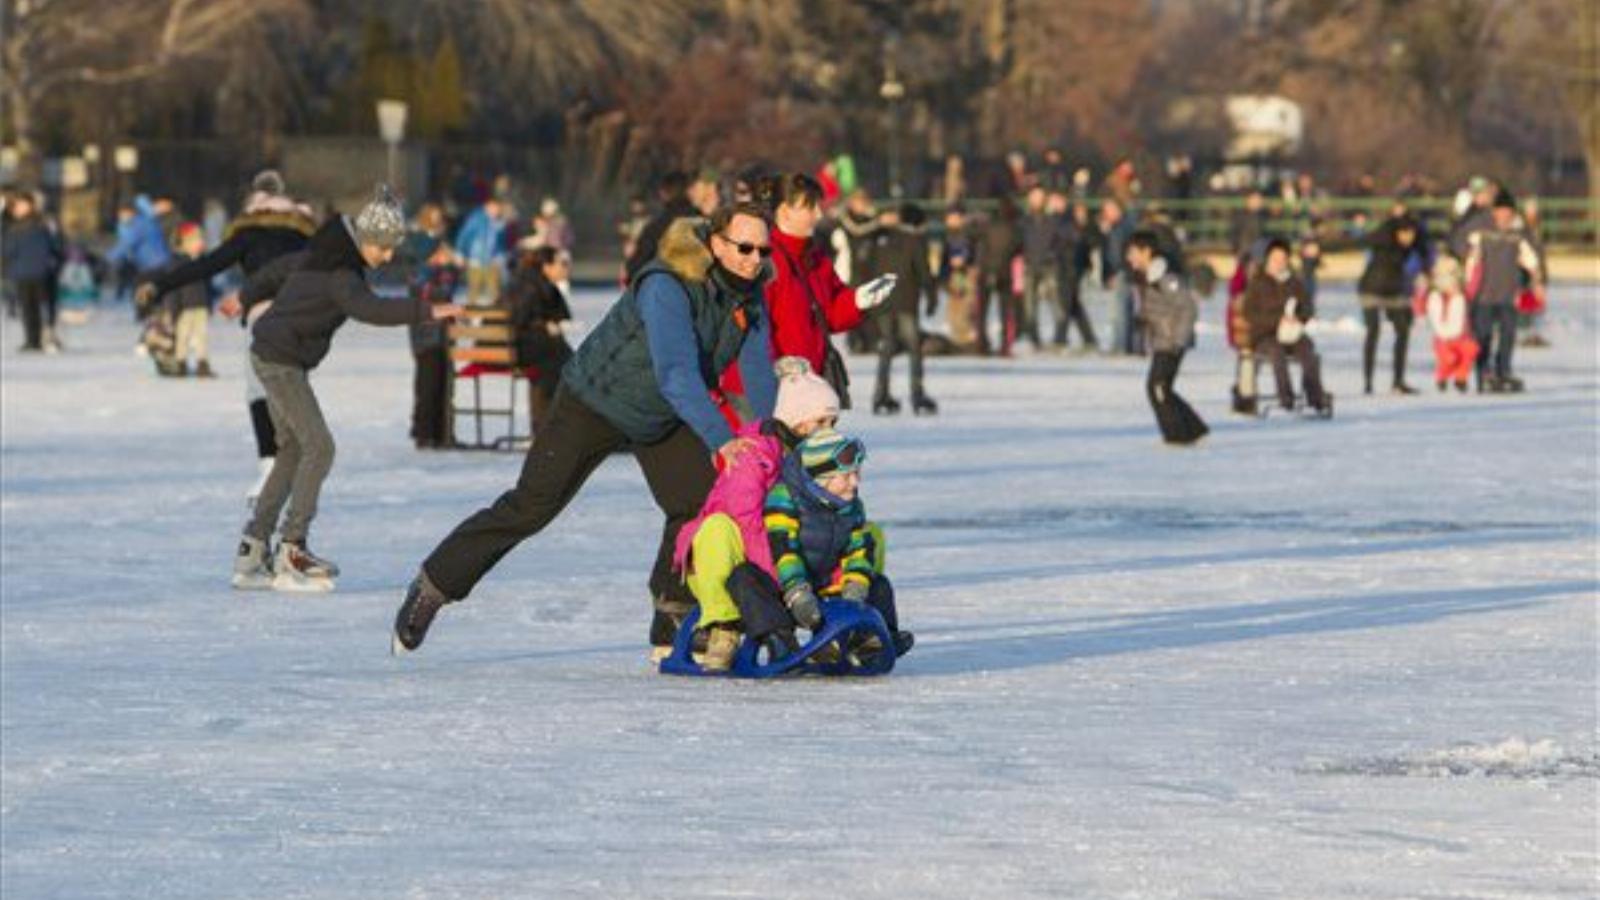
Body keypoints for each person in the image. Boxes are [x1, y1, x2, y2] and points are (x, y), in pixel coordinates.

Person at [392, 204, 781, 655]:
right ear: (715, 243)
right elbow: (676, 373)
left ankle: (673, 612)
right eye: (744, 247)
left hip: (660, 415)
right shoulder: (667, 284)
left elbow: (757, 370)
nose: (755, 258)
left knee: (698, 502)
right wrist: (723, 439)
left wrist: (768, 435)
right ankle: (435, 583)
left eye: (763, 249)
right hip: (594, 401)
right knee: (531, 506)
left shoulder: (749, 296)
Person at [232, 186, 463, 593]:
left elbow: (278, 269)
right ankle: (292, 549)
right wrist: (427, 310)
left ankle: (252, 553)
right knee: (319, 447)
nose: (387, 257)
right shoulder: (340, 274)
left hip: (273, 355)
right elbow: (371, 309)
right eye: (385, 249)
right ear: (367, 240)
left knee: (292, 451)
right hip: (281, 362)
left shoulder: (324, 253)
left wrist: (246, 295)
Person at [135, 170, 318, 507]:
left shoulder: (248, 234)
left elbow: (206, 266)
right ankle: (292, 467)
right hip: (304, 317)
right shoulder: (304, 233)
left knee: (258, 388)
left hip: (266, 317)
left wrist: (160, 285)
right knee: (292, 388)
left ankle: (270, 465)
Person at [673, 358, 843, 669]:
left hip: (780, 562)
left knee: (860, 531)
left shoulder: (816, 458)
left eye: (833, 423)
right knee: (717, 530)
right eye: (821, 423)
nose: (828, 432)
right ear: (796, 422)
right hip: (733, 562)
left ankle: (834, 624)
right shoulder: (753, 455)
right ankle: (723, 626)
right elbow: (747, 523)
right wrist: (788, 578)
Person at [728, 173, 893, 414]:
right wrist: (775, 369)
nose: (818, 214)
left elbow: (827, 316)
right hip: (765, 391)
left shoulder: (816, 258)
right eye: (810, 207)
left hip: (806, 388)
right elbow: (749, 327)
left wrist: (857, 301)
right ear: (784, 211)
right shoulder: (764, 259)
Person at [753, 428, 910, 665]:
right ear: (821, 478)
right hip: (783, 585)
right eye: (846, 476)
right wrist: (797, 592)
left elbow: (858, 547)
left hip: (825, 582)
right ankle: (780, 642)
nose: (855, 482)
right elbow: (784, 550)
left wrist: (856, 583)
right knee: (751, 582)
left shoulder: (851, 504)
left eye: (857, 473)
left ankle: (872, 640)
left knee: (879, 585)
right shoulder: (784, 497)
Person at [1126, 231, 1207, 445]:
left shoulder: (1166, 277)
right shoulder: (1150, 277)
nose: (1130, 257)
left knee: (1158, 387)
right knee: (1161, 388)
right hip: (1162, 340)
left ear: (1146, 252)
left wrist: (1178, 340)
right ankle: (1193, 429)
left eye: (1133, 252)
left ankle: (1177, 435)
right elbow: (1159, 308)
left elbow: (1188, 308)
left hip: (1171, 342)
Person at [861, 203, 937, 415]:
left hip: (884, 302)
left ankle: (880, 394)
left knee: (886, 348)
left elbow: (869, 270)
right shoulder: (915, 242)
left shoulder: (881, 240)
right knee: (914, 349)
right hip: (906, 301)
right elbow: (923, 272)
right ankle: (917, 394)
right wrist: (931, 297)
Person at [1465, 190, 1544, 393]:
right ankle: (1484, 372)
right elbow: (1470, 259)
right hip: (1485, 295)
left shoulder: (1518, 236)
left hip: (1509, 294)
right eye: (1501, 211)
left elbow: (1531, 260)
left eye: (1508, 212)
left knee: (1508, 336)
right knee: (1483, 336)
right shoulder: (1482, 233)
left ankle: (1503, 371)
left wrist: (1537, 282)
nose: (1504, 216)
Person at [1242, 239, 1331, 416]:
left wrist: (1298, 319)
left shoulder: (1294, 283)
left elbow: (1308, 307)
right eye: (1276, 259)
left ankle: (1315, 397)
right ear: (1268, 259)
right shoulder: (1257, 282)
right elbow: (1249, 314)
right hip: (1265, 335)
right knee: (1277, 354)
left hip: (1292, 333)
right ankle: (1286, 398)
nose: (1279, 263)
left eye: (1283, 259)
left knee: (1308, 352)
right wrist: (1277, 320)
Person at [403, 230, 463, 450]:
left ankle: (440, 432)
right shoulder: (422, 274)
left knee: (443, 385)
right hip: (427, 339)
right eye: (440, 250)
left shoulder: (436, 272)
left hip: (440, 338)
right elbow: (438, 293)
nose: (445, 253)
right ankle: (426, 432)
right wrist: (449, 269)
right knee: (429, 386)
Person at [505, 245, 574, 430]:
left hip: (519, 345)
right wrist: (543, 325)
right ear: (547, 266)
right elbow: (518, 319)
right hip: (515, 348)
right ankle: (547, 429)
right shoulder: (531, 285)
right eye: (563, 263)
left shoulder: (537, 283)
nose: (567, 268)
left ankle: (549, 427)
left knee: (564, 358)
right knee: (562, 363)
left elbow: (560, 315)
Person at [1356, 212, 1424, 395]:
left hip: (1394, 291)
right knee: (1373, 330)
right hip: (1371, 289)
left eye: (1412, 234)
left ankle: (1398, 381)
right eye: (1405, 234)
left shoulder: (1412, 245)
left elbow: (1426, 252)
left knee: (1403, 330)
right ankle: (1368, 381)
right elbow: (1359, 241)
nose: (1409, 238)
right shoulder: (1383, 238)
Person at [1, 192, 62, 352]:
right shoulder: (13, 226)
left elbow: (55, 245)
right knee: (27, 308)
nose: (17, 208)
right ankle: (31, 340)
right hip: (22, 272)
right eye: (16, 205)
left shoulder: (42, 224)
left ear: (30, 205)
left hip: (40, 272)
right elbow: (7, 249)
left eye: (21, 205)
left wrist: (53, 263)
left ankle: (46, 338)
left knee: (42, 307)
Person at [1019, 186, 1068, 352]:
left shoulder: (1052, 220)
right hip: (1030, 265)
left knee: (1056, 303)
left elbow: (1064, 238)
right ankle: (1034, 339)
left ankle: (1060, 337)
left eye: (1040, 197)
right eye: (1034, 197)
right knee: (1030, 306)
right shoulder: (1024, 221)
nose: (1037, 201)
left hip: (1049, 265)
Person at [165, 223, 218, 377]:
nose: (200, 243)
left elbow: (208, 286)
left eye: (201, 239)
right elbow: (172, 289)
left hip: (200, 306)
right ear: (184, 242)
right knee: (183, 336)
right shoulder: (177, 263)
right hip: (184, 308)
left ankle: (202, 363)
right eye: (195, 240)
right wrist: (173, 309)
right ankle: (180, 363)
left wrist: (209, 304)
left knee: (202, 336)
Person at [624, 171, 696, 279]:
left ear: (663, 194)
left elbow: (635, 268)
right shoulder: (703, 222)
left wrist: (630, 261)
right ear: (689, 191)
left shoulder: (656, 228)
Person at [1423, 256, 1478, 393]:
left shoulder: (1462, 296)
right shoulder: (1433, 297)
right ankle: (1442, 377)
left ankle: (1461, 379)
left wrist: (1475, 265)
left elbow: (1473, 284)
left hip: (1462, 335)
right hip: (1442, 338)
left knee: (1469, 351)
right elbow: (1420, 307)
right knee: (1449, 358)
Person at [976, 195, 1022, 356]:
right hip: (1004, 272)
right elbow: (1018, 249)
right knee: (1005, 310)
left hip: (985, 270)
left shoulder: (987, 228)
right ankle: (1004, 345)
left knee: (982, 311)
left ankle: (981, 343)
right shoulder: (1014, 230)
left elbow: (980, 247)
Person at [938, 205, 981, 352]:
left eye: (955, 217)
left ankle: (968, 341)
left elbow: (973, 254)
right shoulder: (947, 236)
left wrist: (965, 261)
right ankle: (958, 340)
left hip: (964, 275)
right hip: (952, 276)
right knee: (954, 310)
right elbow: (944, 260)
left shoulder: (969, 235)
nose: (951, 221)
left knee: (965, 309)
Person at [454, 196, 508, 306]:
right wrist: (460, 252)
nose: (496, 211)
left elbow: (500, 242)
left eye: (498, 209)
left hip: (492, 260)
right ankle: (469, 317)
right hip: (476, 259)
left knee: (495, 290)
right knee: (474, 289)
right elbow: (464, 235)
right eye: (494, 208)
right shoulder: (476, 219)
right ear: (487, 207)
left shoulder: (499, 221)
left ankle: (495, 316)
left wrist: (500, 255)